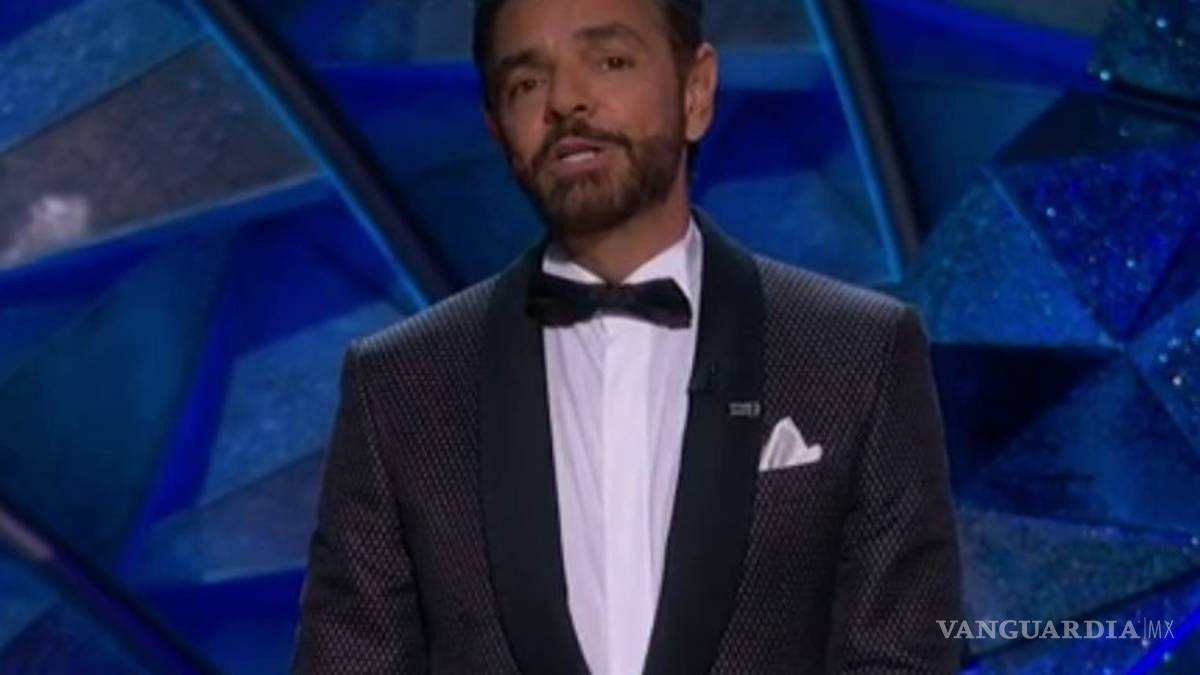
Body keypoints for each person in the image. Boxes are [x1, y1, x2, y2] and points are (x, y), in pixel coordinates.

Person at [293, 0, 963, 672]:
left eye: (610, 61)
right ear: (497, 129)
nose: (565, 101)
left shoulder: (857, 355)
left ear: (695, 92)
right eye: (526, 83)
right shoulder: (400, 388)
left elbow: (903, 657)